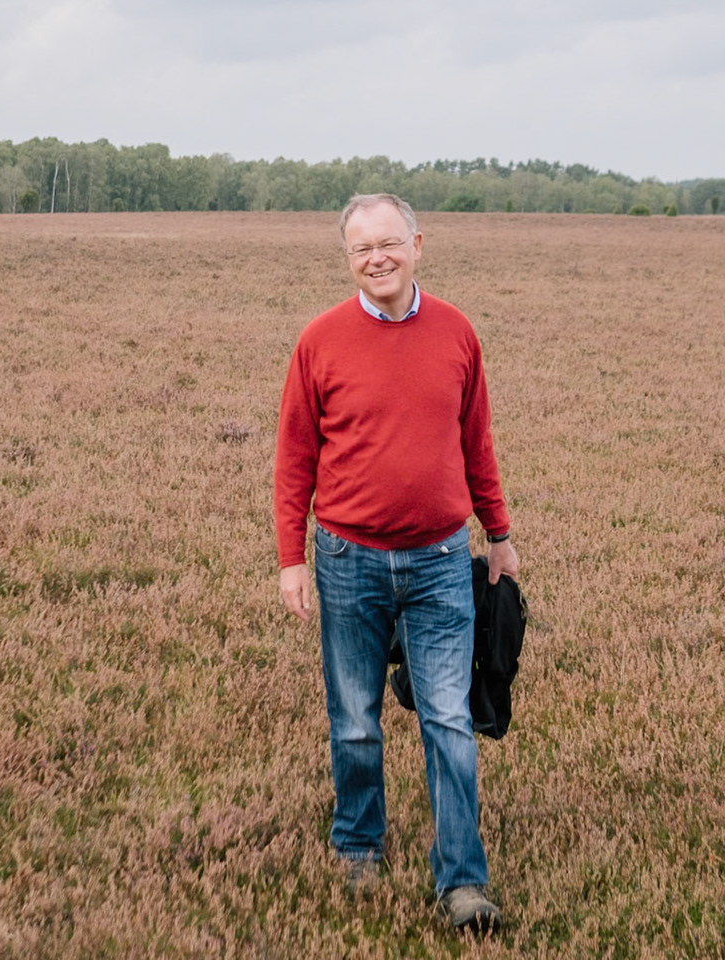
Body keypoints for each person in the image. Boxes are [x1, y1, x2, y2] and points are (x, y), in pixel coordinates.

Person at [274, 192, 520, 935]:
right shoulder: (319, 340)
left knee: (449, 718)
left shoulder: (457, 331)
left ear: (418, 244)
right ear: (347, 258)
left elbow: (476, 441)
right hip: (346, 558)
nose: (376, 258)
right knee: (354, 717)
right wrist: (291, 559)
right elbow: (294, 458)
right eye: (362, 249)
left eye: (389, 243)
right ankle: (358, 844)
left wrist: (498, 532)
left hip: (441, 559)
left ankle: (462, 881)